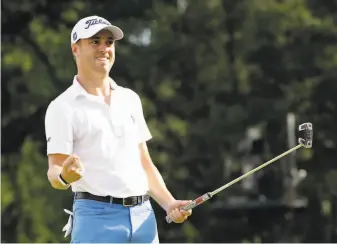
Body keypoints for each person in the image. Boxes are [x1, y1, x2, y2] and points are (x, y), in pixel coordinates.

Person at [44, 15, 192, 243]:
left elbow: (144, 162)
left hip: (143, 217)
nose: (104, 48)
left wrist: (169, 202)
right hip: (96, 218)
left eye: (109, 42)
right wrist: (64, 176)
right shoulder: (62, 106)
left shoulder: (130, 99)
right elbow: (54, 170)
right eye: (95, 41)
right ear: (75, 49)